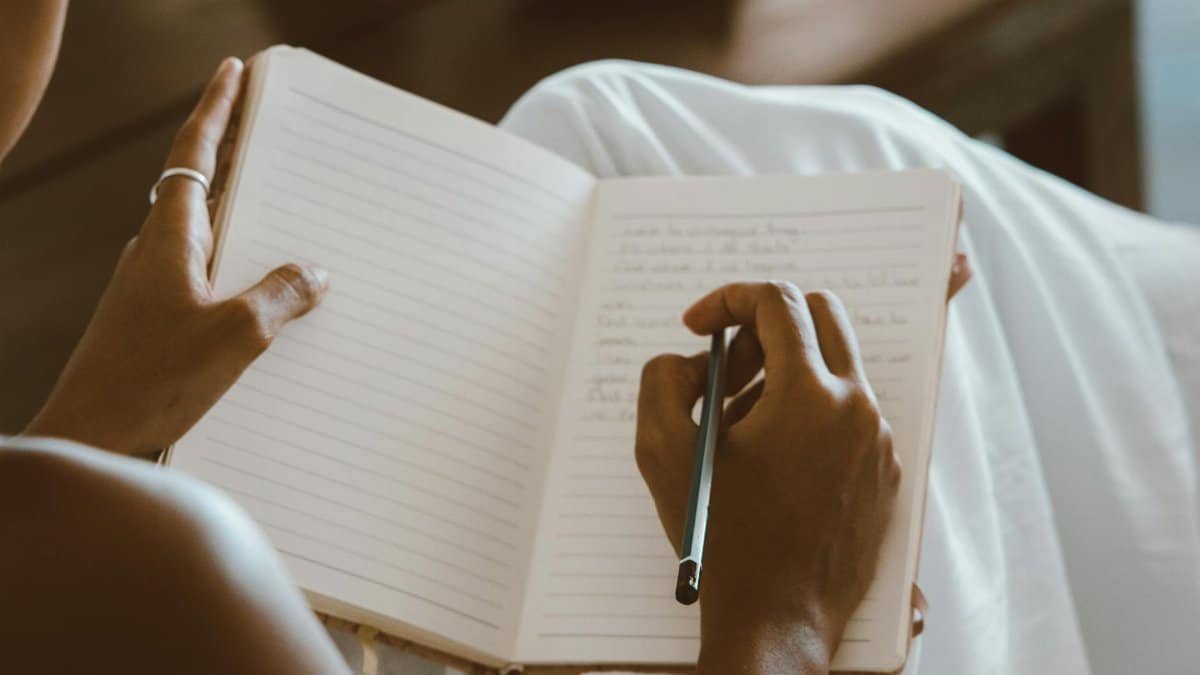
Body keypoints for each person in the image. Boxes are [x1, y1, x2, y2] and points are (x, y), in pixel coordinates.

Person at [4, 5, 1200, 675]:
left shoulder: (72, 510)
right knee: (681, 147)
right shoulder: (166, 564)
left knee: (605, 123)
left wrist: (84, 433)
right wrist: (782, 611)